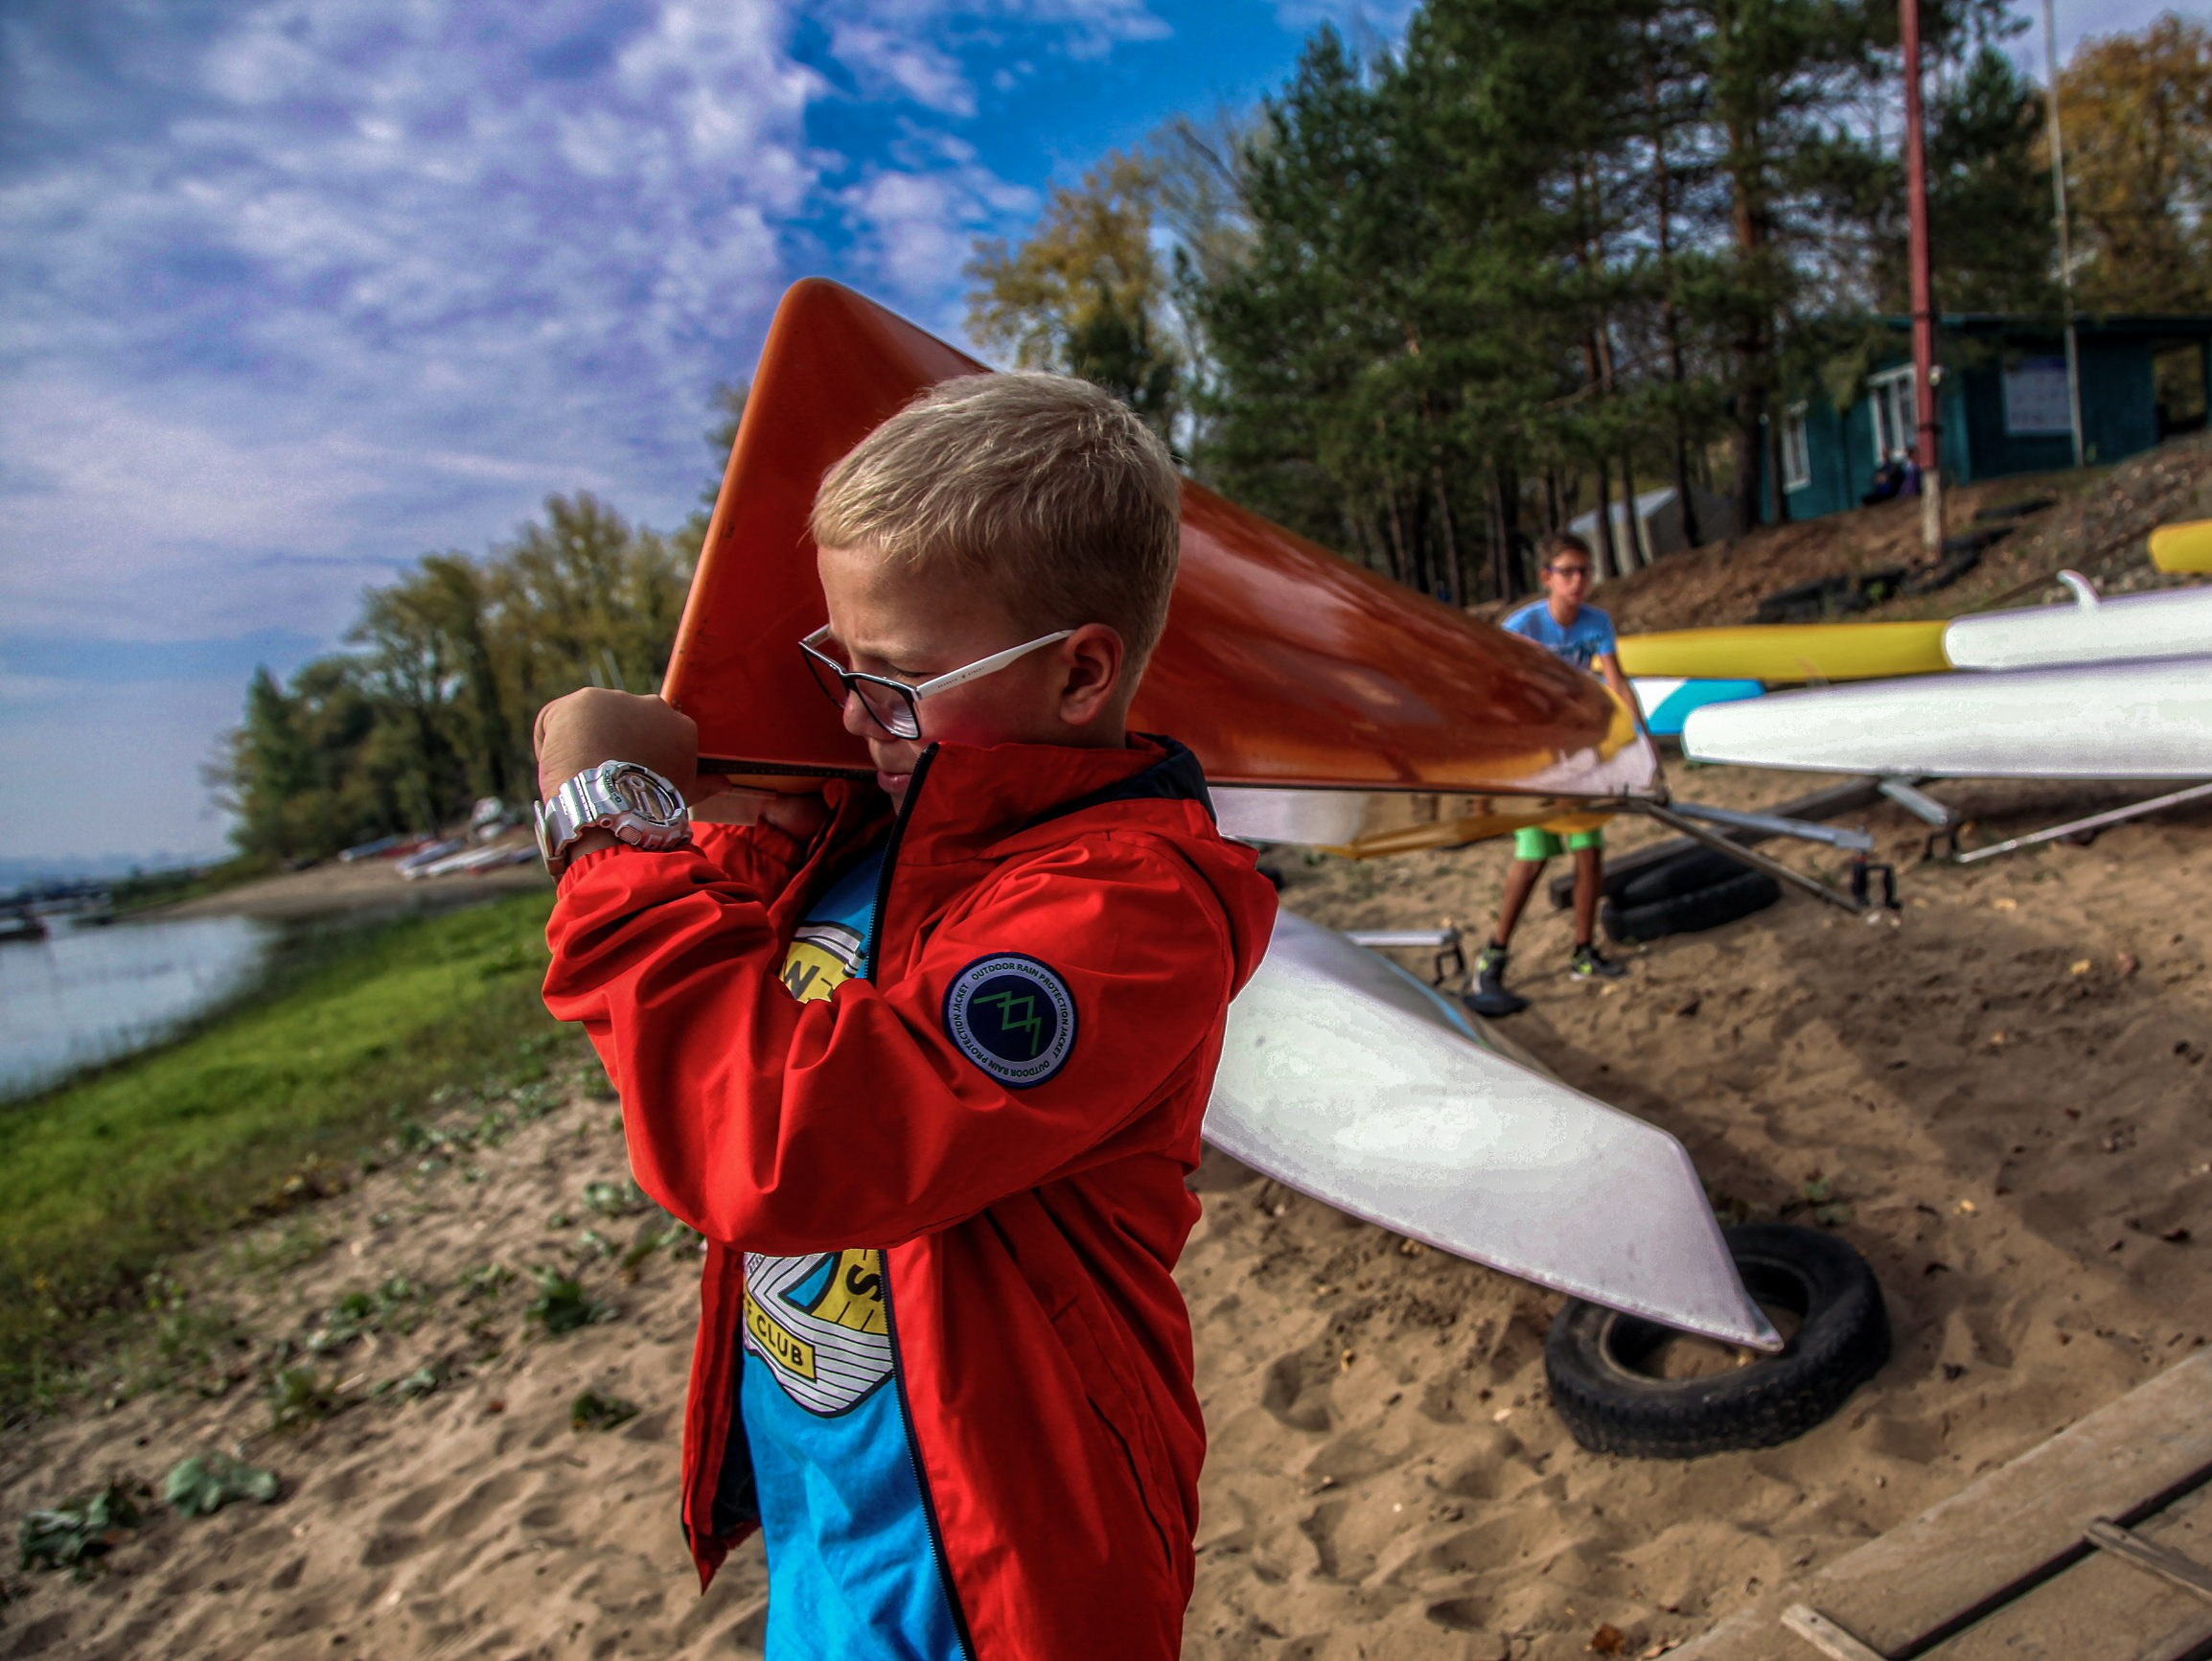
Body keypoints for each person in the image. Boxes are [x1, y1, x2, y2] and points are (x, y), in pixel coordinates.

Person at [531, 373, 1278, 1661]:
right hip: (839, 1530)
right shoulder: (865, 835)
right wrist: (734, 789)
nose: (849, 714)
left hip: (1007, 1565)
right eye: (839, 665)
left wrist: (605, 823)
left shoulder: (1130, 908)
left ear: (1080, 671)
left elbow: (790, 1131)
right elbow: (716, 973)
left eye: (894, 681)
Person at [1468, 532, 1635, 1016]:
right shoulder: (1523, 626)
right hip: (1533, 759)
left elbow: (1616, 683)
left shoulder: (1596, 622)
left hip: (1577, 753)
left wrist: (1637, 745)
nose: (1579, 580)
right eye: (1568, 571)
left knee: (1589, 852)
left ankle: (1583, 952)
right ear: (1548, 578)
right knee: (1534, 855)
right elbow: (1496, 697)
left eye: (1585, 570)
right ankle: (1493, 958)